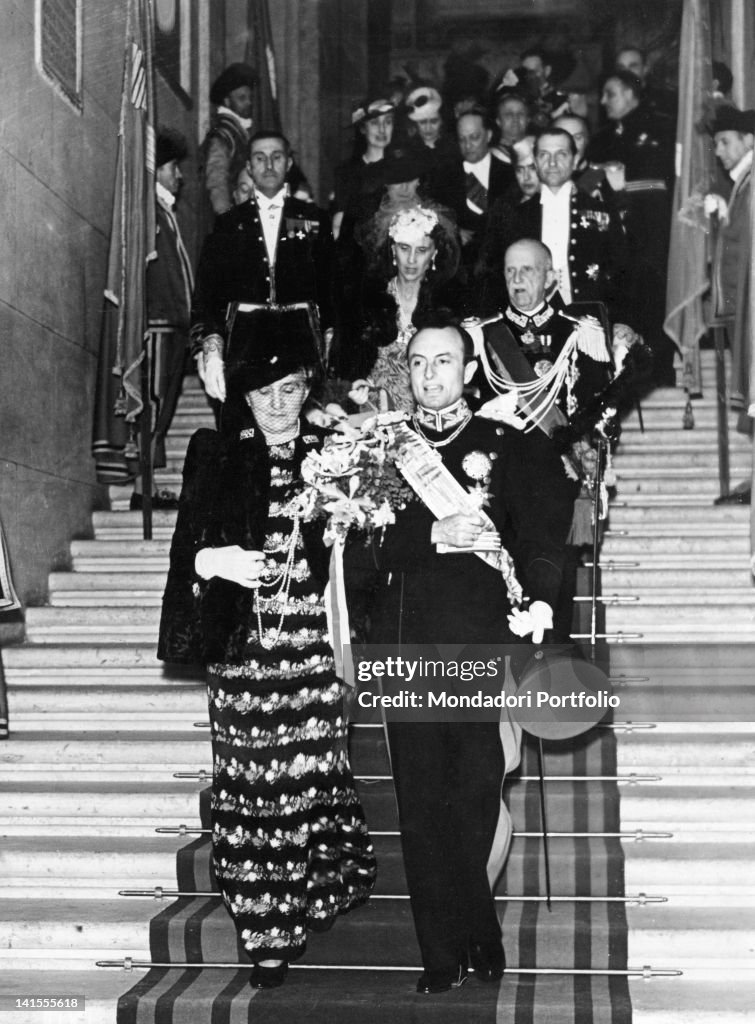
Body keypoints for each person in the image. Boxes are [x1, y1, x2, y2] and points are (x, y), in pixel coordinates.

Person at [346, 315, 573, 993]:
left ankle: (478, 927)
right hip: (403, 642)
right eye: (417, 364)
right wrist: (433, 540)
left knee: (474, 792)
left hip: (477, 641)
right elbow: (358, 560)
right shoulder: (384, 452)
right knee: (419, 803)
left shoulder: (507, 445)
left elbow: (541, 534)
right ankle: (441, 952)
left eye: (442, 362)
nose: (429, 376)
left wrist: (539, 598)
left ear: (469, 371)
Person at [157, 321, 377, 989]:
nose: (278, 404)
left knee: (307, 787)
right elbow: (184, 550)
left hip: (312, 651)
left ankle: (306, 900)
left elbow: (364, 553)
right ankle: (266, 936)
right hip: (244, 654)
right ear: (243, 398)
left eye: (290, 389)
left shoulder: (335, 452)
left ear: (307, 388)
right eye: (263, 392)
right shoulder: (216, 450)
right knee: (255, 794)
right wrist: (214, 558)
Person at [191, 130, 332, 408]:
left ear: (289, 164)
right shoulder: (228, 225)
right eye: (260, 158)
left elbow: (331, 292)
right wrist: (211, 353)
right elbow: (208, 298)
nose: (268, 166)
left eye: (276, 157)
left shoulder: (314, 219)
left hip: (300, 347)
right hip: (244, 348)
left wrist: (331, 351)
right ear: (249, 167)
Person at [508, 128, 636, 351]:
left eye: (561, 154)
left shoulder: (601, 211)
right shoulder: (516, 217)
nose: (552, 162)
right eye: (544, 155)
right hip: (532, 327)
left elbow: (622, 270)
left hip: (591, 324)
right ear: (535, 162)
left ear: (576, 160)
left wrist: (622, 319)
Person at [587, 70, 675, 385]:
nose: (602, 101)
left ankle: (660, 374)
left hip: (652, 237)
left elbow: (665, 186)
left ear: (628, 93)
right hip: (614, 241)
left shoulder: (661, 130)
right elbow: (587, 185)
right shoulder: (602, 140)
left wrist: (623, 190)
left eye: (609, 93)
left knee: (654, 305)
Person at [131, 128, 194, 511]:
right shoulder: (151, 212)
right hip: (158, 326)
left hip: (173, 326)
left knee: (164, 408)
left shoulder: (165, 211)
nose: (179, 175)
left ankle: (148, 486)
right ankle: (143, 489)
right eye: (172, 168)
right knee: (153, 406)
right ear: (157, 171)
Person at [347, 204, 461, 411]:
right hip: (375, 409)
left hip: (430, 408)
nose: (411, 260)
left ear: (434, 254)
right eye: (404, 248)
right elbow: (350, 364)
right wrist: (356, 383)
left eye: (421, 250)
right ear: (392, 250)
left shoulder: (447, 303)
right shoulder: (368, 300)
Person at [704, 106, 755, 505]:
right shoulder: (742, 185)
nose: (719, 151)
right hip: (744, 311)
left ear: (749, 140)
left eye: (725, 141)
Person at [453, 109, 515, 261]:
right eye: (462, 139)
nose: (468, 145)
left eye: (474, 137)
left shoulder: (509, 174)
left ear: (488, 135)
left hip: (499, 261)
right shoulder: (445, 175)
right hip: (460, 266)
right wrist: (452, 231)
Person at [332, 97, 396, 242]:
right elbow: (340, 222)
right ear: (362, 129)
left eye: (388, 122)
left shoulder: (402, 169)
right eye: (374, 123)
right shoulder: (346, 172)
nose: (382, 129)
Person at [202, 63, 258, 216]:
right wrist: (226, 219)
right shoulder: (223, 135)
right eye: (242, 98)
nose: (249, 103)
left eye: (250, 98)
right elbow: (216, 181)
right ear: (227, 102)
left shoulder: (240, 131)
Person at [490, 91, 531, 165]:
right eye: (508, 114)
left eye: (520, 114)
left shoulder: (538, 149)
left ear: (528, 120)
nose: (515, 118)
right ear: (498, 121)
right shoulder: (491, 158)